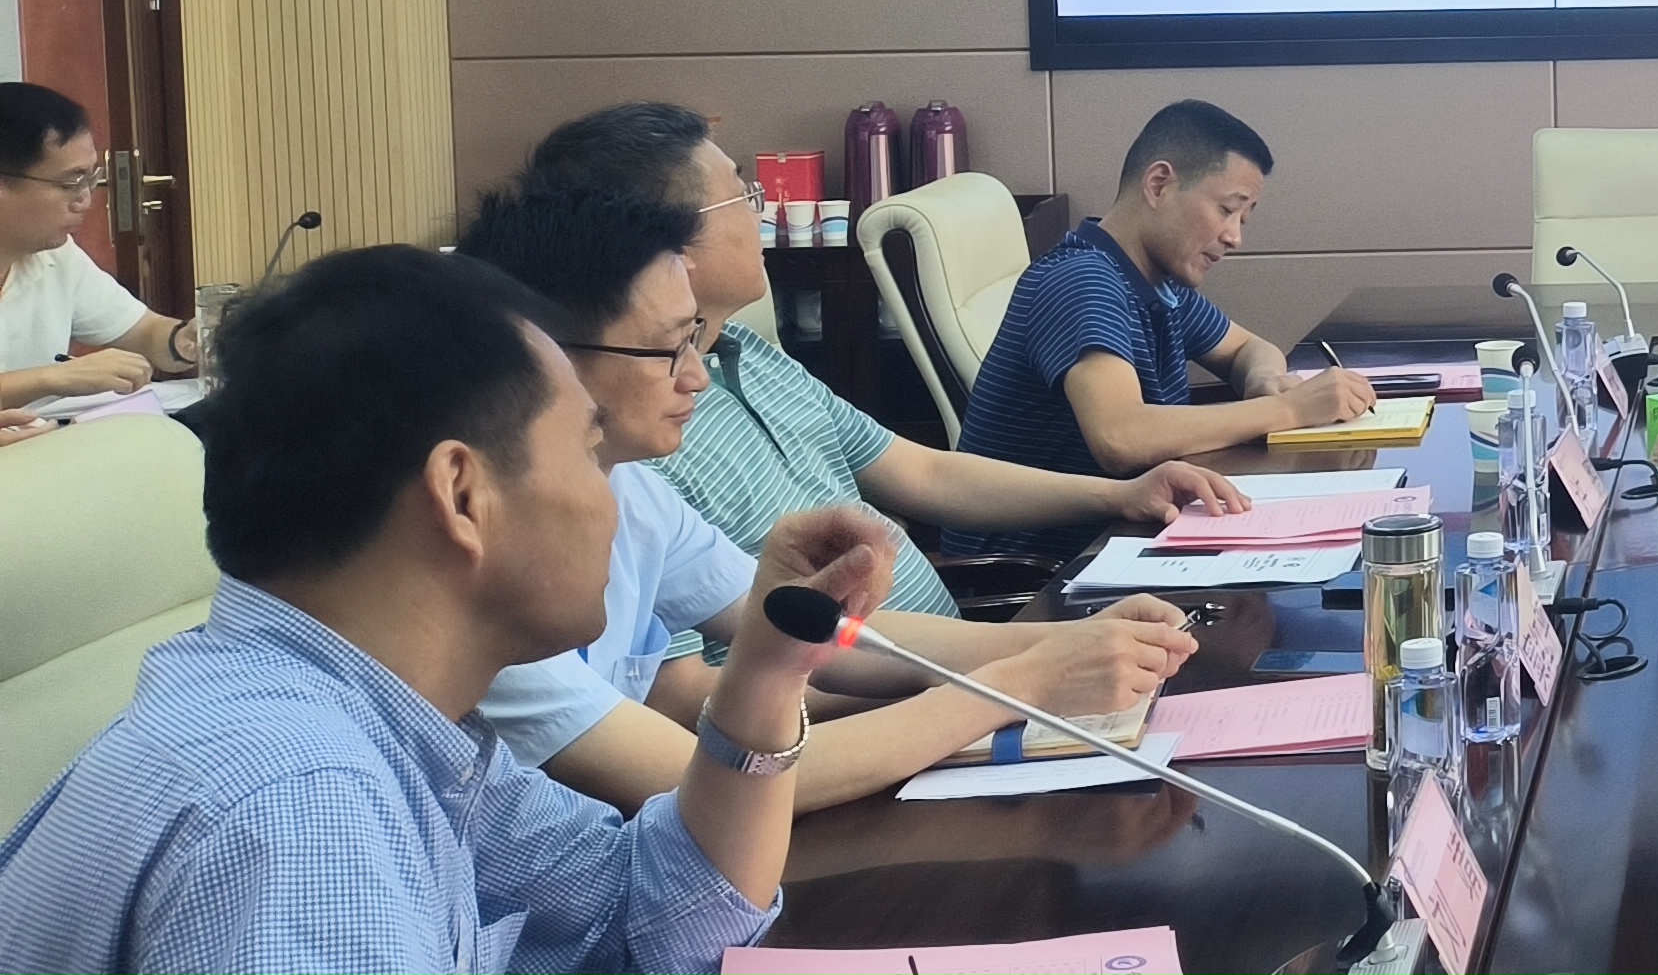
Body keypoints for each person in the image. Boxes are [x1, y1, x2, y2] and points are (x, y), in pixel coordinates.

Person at [0, 244, 893, 973]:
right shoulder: (302, 810)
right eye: (588, 454)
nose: (610, 504)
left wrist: (768, 670)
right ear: (463, 495)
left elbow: (651, 912)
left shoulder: (385, 722)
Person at [459, 184, 1201, 813]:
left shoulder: (635, 490)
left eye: (696, 341)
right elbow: (702, 782)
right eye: (669, 348)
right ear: (544, 355)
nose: (696, 377)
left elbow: (832, 641)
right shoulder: (481, 585)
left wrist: (1064, 644)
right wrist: (1021, 681)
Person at [519, 103, 1258, 619]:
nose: (763, 212)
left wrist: (1118, 497)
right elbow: (733, 686)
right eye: (744, 199)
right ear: (665, 243)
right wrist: (1010, 670)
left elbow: (925, 473)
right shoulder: (637, 443)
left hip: (956, 661)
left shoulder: (752, 355)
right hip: (890, 702)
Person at [950, 100, 1375, 559]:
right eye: (1226, 210)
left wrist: (1264, 380)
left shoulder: (1156, 283)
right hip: (1039, 569)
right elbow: (1121, 437)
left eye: (1243, 218)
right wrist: (1289, 410)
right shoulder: (1082, 281)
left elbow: (1248, 349)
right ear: (1159, 185)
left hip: (1121, 537)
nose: (1235, 237)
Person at [0, 82, 198, 415]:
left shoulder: (57, 256)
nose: (85, 201)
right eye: (70, 183)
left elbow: (143, 330)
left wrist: (184, 341)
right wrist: (55, 378)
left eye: (90, 180)